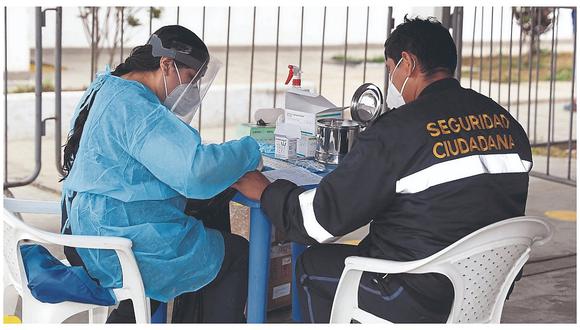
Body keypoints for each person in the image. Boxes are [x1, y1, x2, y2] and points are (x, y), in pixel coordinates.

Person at [233, 16, 533, 323]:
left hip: (415, 293)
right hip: (486, 287)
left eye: (391, 70)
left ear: (408, 63)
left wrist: (269, 191)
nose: (391, 81)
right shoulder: (507, 124)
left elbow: (321, 220)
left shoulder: (400, 130)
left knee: (314, 265)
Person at [60, 25, 261, 323]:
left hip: (85, 226)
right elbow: (196, 173)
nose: (192, 92)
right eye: (191, 80)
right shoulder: (137, 107)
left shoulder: (110, 86)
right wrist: (250, 149)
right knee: (236, 253)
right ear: (166, 64)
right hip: (114, 240)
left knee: (196, 234)